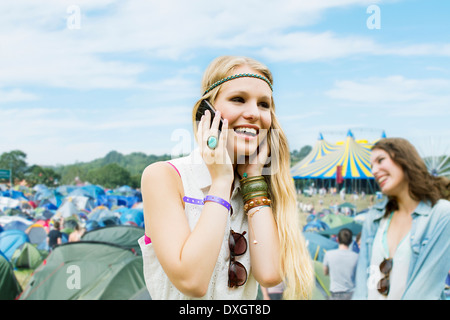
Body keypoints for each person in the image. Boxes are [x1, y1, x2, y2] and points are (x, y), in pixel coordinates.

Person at [139, 56, 314, 300]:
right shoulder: (164, 176)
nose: (254, 113)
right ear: (206, 112)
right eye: (238, 99)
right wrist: (220, 181)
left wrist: (253, 178)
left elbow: (270, 274)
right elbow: (192, 281)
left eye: (264, 104)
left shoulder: (256, 186)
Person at [353, 137, 450, 300]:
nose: (374, 171)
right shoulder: (374, 218)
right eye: (371, 166)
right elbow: (363, 284)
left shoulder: (441, 214)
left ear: (404, 159)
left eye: (380, 160)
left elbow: (425, 290)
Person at [323, 228, 359, 300]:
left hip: (335, 293)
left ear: (338, 239)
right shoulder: (356, 256)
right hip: (351, 294)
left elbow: (325, 272)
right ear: (351, 241)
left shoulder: (328, 254)